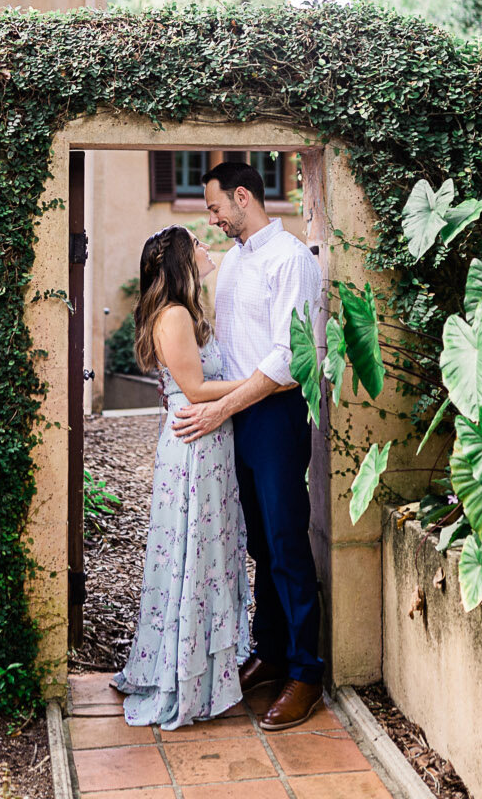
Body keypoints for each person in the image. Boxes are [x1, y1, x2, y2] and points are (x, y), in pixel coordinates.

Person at [170, 160, 327, 731]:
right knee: (258, 541)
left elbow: (288, 359)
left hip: (276, 416)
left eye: (215, 207)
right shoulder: (234, 262)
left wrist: (218, 409)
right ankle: (273, 650)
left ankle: (306, 672)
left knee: (286, 543)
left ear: (242, 197)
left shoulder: (291, 261)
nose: (212, 219)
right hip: (237, 415)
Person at [112, 226, 253, 729]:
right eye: (196, 242)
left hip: (206, 444)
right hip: (195, 447)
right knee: (194, 556)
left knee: (207, 553)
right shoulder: (173, 316)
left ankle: (204, 669)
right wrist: (267, 382)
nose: (205, 247)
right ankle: (185, 676)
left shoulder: (186, 312)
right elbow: (194, 389)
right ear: (178, 260)